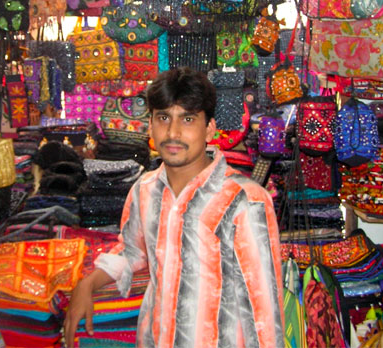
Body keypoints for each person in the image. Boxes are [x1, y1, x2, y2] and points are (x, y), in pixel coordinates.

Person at [64, 67, 285, 348]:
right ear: (151, 124)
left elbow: (264, 312)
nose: (173, 132)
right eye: (164, 118)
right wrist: (87, 284)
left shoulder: (244, 201)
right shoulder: (145, 190)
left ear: (210, 129)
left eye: (188, 119)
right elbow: (131, 250)